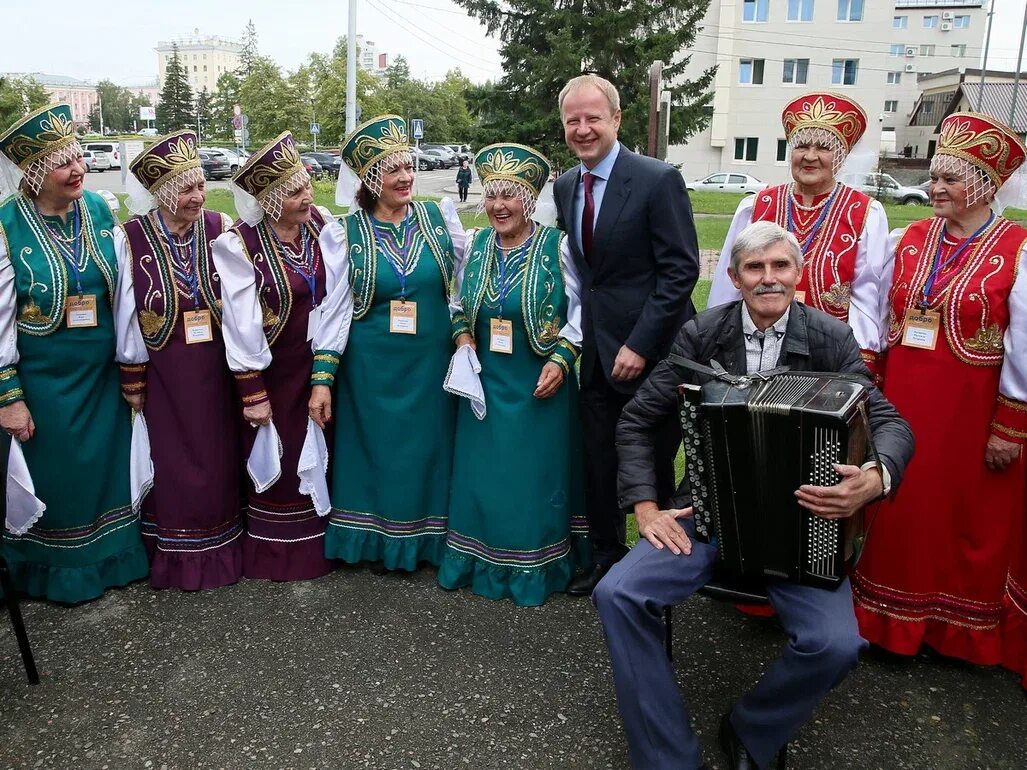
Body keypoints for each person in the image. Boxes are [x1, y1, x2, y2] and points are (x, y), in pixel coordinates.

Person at [594, 220, 914, 770]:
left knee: (835, 644)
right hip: (707, 511)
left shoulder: (830, 337)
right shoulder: (702, 332)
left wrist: (876, 477)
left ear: (798, 274)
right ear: (736, 278)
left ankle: (752, 729)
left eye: (780, 266)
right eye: (754, 268)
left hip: (803, 522)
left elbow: (887, 419)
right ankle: (667, 756)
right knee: (618, 592)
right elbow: (637, 420)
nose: (768, 278)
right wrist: (646, 507)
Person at [852, 113, 1027, 666]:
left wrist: (1009, 424)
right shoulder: (911, 238)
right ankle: (885, 626)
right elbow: (879, 315)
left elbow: (1023, 345)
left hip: (969, 411)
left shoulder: (1017, 251)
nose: (936, 188)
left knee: (957, 515)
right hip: (902, 395)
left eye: (952, 179)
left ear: (984, 184)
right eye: (935, 177)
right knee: (896, 500)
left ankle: (950, 632)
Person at [553, 74, 701, 596]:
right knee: (598, 459)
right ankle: (606, 556)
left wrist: (639, 343)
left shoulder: (658, 179)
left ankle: (654, 565)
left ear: (617, 119)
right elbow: (583, 276)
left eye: (593, 117)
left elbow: (680, 271)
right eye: (574, 119)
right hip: (593, 352)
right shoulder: (566, 185)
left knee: (653, 460)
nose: (583, 128)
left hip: (651, 353)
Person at [0, 104, 148, 602]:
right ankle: (54, 571)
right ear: (36, 171)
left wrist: (132, 365)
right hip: (45, 384)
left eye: (79, 157)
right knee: (58, 478)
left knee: (104, 475)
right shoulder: (6, 228)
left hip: (102, 378)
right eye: (63, 162)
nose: (78, 168)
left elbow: (125, 295)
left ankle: (110, 561)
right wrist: (9, 396)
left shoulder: (101, 210)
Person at [437, 142, 589, 605]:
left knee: (533, 480)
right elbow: (457, 302)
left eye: (511, 196)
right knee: (485, 478)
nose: (499, 206)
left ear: (529, 200)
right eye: (492, 196)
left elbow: (582, 310)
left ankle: (533, 569)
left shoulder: (557, 245)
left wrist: (562, 359)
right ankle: (480, 561)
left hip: (539, 382)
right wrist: (462, 337)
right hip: (486, 381)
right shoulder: (477, 244)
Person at [313, 115, 465, 571]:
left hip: (430, 367)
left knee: (427, 454)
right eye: (391, 170)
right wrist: (323, 379)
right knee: (376, 455)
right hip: (371, 373)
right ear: (368, 179)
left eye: (407, 166)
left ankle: (426, 542)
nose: (405, 177)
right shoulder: (345, 233)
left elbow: (465, 284)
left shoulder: (440, 219)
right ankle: (373, 542)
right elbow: (336, 310)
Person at [114, 130, 243, 590]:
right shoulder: (130, 238)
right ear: (163, 193)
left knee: (218, 456)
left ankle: (223, 547)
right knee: (174, 463)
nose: (197, 196)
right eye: (185, 189)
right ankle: (178, 554)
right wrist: (133, 375)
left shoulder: (219, 227)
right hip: (167, 376)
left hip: (215, 370)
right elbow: (127, 312)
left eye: (199, 185)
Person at [212, 131, 341, 582]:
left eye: (306, 184)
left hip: (322, 365)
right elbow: (240, 324)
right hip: (276, 373)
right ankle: (281, 553)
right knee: (282, 457)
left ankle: (329, 540)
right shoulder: (240, 244)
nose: (307, 196)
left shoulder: (323, 226)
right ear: (268, 199)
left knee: (328, 447)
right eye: (294, 191)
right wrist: (252, 392)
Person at [707, 91, 890, 382]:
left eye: (824, 148)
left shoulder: (865, 213)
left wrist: (861, 358)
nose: (810, 156)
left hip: (826, 350)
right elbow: (727, 285)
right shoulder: (757, 206)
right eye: (801, 146)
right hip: (757, 341)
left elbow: (867, 295)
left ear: (840, 157)